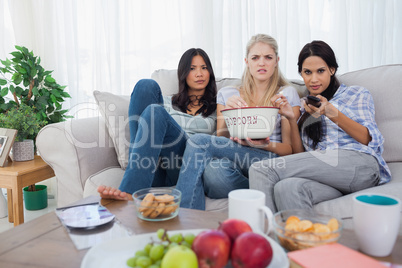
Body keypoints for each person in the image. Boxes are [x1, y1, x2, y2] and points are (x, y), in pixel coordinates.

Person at [249, 40, 391, 212]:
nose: (314, 79)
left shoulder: (355, 94)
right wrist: (291, 119)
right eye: (307, 72)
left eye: (321, 71)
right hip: (329, 177)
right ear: (301, 73)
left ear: (332, 70)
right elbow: (301, 157)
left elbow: (369, 139)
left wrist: (330, 112)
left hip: (360, 165)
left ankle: (263, 237)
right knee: (286, 187)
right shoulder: (303, 108)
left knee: (261, 169)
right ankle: (301, 238)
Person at [176, 34, 301, 210]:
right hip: (235, 159)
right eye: (255, 57)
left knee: (198, 141)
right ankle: (259, 188)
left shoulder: (286, 94)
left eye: (268, 57)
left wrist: (263, 144)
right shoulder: (228, 94)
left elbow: (290, 151)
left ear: (276, 61)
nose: (262, 63)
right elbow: (221, 139)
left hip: (268, 159)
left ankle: (186, 216)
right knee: (214, 170)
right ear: (247, 61)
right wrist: (229, 114)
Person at [97, 48, 217, 200]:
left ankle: (128, 192)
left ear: (210, 72)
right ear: (183, 74)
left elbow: (219, 143)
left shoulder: (217, 106)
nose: (199, 73)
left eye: (204, 68)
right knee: (145, 86)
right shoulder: (165, 103)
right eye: (192, 69)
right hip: (153, 167)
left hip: (184, 164)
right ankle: (136, 169)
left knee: (155, 111)